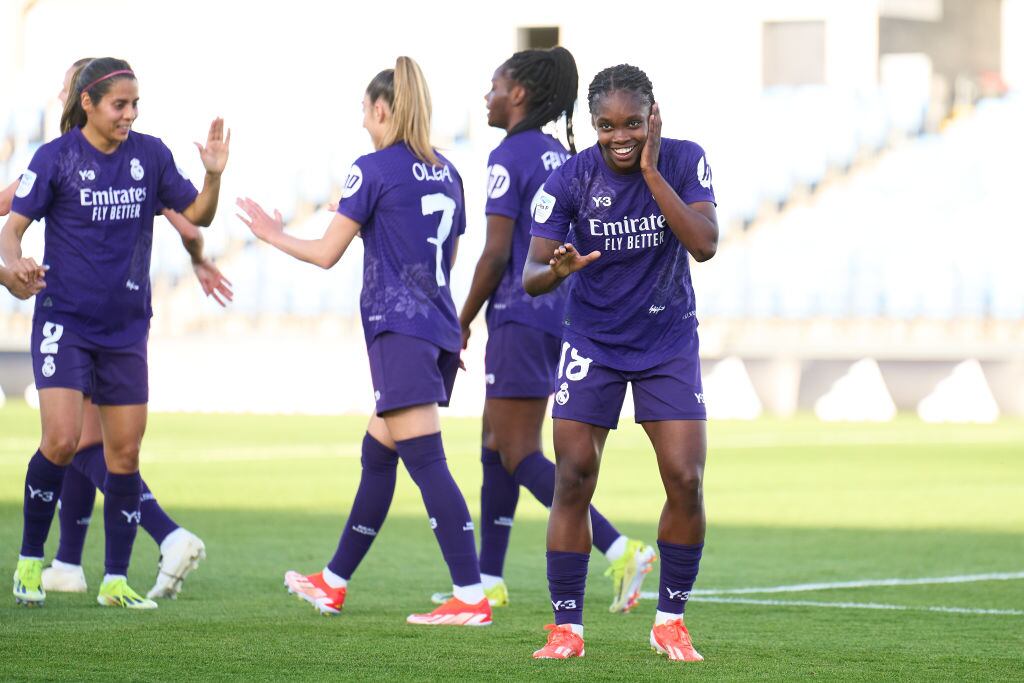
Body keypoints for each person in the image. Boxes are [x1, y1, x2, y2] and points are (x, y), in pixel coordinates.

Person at [237, 56, 491, 626]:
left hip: (398, 331)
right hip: (438, 329)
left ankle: (471, 596)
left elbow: (327, 254)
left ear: (382, 108)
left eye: (364, 111)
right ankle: (332, 582)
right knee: (378, 453)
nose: (362, 123)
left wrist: (273, 234)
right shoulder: (448, 171)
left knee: (427, 463)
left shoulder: (371, 168)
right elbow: (441, 256)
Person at [2, 57, 230, 609]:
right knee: (61, 441)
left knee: (122, 455)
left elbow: (196, 215)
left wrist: (215, 174)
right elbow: (11, 232)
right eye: (119, 105)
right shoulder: (55, 158)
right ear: (88, 103)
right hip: (65, 321)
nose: (129, 115)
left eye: (134, 106)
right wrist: (12, 269)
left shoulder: (150, 155)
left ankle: (114, 581)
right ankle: (32, 564)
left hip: (127, 328)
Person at [435, 47, 654, 612]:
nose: (487, 95)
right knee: (494, 443)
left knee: (517, 449)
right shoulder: (563, 154)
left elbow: (496, 253)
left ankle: (618, 547)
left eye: (494, 84)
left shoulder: (510, 155)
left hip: (519, 312)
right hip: (558, 315)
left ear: (520, 94)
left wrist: (458, 322)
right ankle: (487, 579)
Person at [522, 64, 718, 661]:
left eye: (632, 123)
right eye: (606, 126)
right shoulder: (569, 180)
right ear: (593, 126)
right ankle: (566, 630)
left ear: (653, 116)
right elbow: (532, 276)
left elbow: (705, 244)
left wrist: (654, 173)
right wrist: (554, 270)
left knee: (685, 478)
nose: (619, 137)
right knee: (573, 476)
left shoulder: (684, 160)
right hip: (594, 343)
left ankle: (670, 620)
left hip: (666, 342)